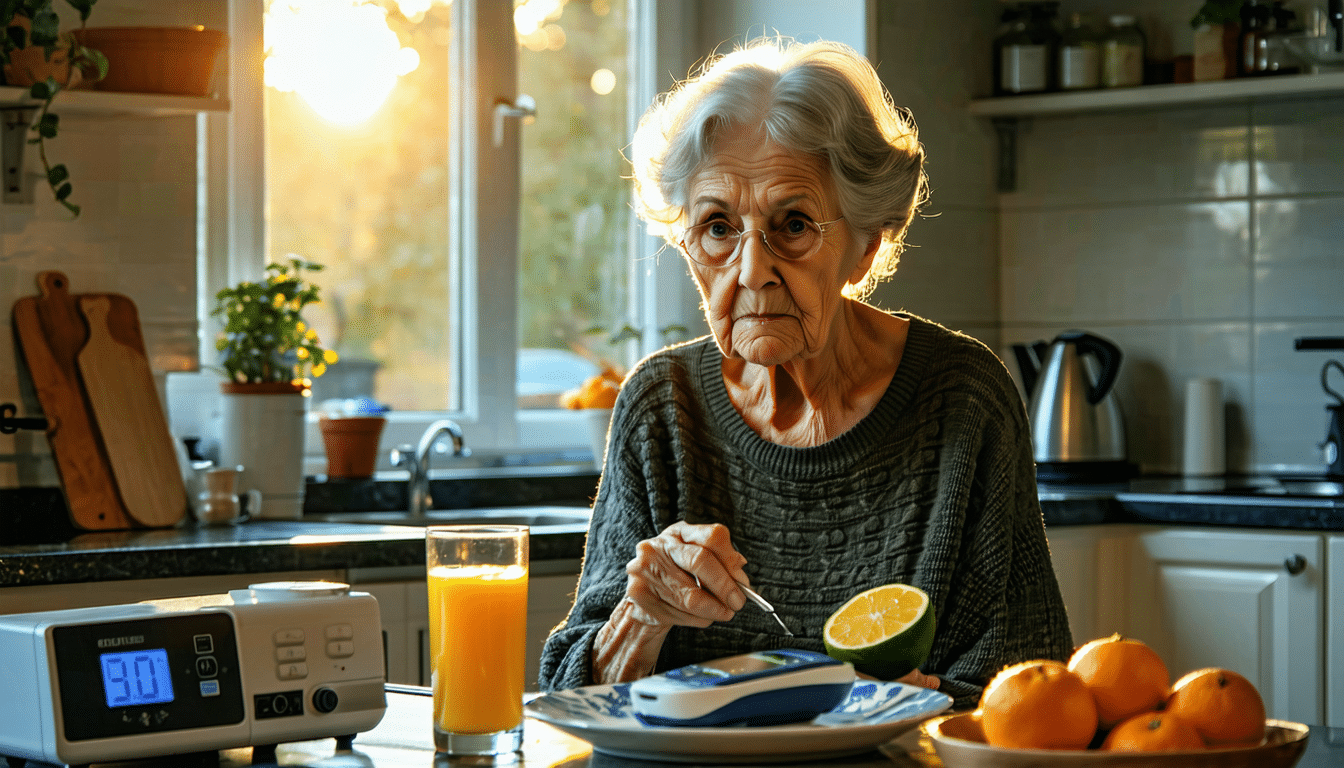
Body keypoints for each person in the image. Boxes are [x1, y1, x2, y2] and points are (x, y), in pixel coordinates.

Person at [538, 38, 1072, 709]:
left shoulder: (963, 400)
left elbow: (1035, 693)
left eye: (792, 224)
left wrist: (916, 709)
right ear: (686, 245)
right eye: (717, 227)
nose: (752, 269)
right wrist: (640, 618)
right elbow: (566, 696)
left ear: (866, 243)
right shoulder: (661, 407)